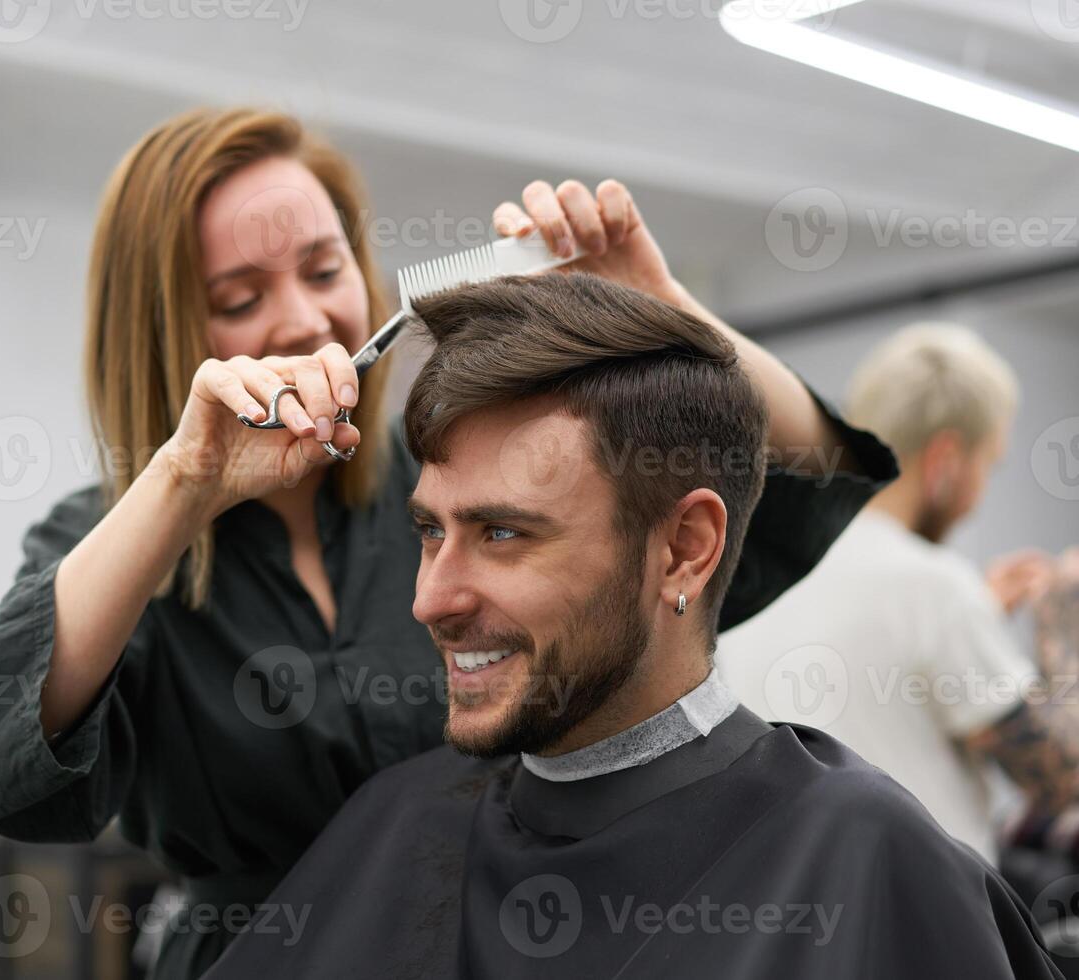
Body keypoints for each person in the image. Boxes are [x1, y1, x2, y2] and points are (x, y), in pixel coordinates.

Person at [0, 106, 894, 979]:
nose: (305, 318)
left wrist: (667, 307)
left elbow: (798, 477)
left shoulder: (447, 482)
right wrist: (183, 483)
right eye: (238, 297)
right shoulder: (122, 535)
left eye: (323, 269)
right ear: (163, 329)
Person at [204, 274, 1060, 980]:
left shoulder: (861, 863)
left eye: (502, 533)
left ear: (685, 549)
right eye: (431, 531)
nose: (432, 598)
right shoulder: (393, 827)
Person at [719, 324, 1079, 865]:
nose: (978, 495)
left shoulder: (763, 569)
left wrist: (975, 618)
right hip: (916, 931)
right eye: (988, 465)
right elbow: (1064, 780)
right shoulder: (932, 586)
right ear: (945, 460)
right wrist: (1062, 624)